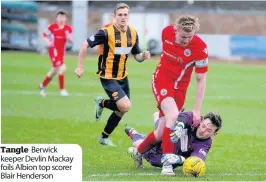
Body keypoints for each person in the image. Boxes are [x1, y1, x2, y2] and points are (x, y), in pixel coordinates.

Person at [132, 15, 209, 175]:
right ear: (176, 30)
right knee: (173, 117)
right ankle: (167, 163)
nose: (186, 40)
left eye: (190, 36)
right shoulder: (166, 33)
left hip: (180, 89)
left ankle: (138, 151)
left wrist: (196, 110)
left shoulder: (200, 48)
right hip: (161, 80)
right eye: (182, 36)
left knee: (160, 133)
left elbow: (201, 80)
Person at [75, 3, 150, 146]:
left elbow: (137, 56)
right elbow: (84, 44)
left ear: (129, 16)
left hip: (123, 77)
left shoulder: (133, 33)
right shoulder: (106, 32)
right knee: (126, 106)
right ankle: (101, 103)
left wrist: (143, 56)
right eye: (120, 15)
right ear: (114, 16)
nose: (123, 17)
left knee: (121, 110)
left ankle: (104, 136)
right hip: (108, 77)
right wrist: (80, 66)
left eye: (125, 14)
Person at [126, 111, 222, 175]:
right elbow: (187, 115)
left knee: (159, 159)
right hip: (163, 143)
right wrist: (180, 124)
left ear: (214, 134)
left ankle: (137, 133)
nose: (203, 131)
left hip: (171, 157)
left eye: (208, 130)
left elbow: (197, 159)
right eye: (203, 126)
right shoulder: (195, 120)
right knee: (138, 147)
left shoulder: (205, 143)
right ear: (201, 121)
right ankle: (135, 134)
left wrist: (180, 159)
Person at [39, 10, 73, 97]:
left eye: (63, 17)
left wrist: (68, 37)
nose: (61, 19)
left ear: (65, 19)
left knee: (54, 71)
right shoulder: (52, 27)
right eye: (59, 17)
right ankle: (62, 90)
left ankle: (42, 86)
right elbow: (44, 35)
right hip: (53, 51)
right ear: (56, 18)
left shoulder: (68, 28)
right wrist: (47, 41)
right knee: (62, 68)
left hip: (61, 53)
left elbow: (71, 40)